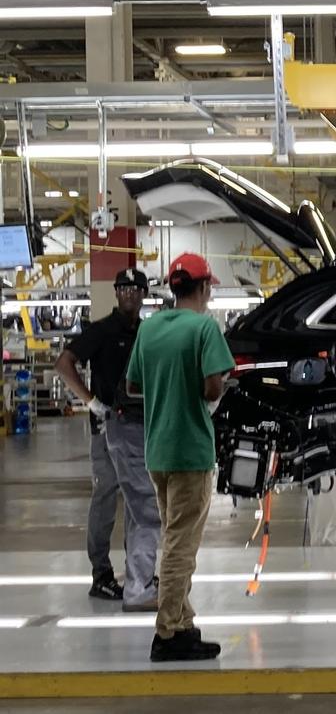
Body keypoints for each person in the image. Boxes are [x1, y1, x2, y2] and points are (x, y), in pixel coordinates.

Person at [126, 253, 234, 662]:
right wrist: (217, 384)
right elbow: (211, 388)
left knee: (175, 536)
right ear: (204, 287)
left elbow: (133, 386)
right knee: (180, 544)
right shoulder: (205, 327)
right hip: (190, 449)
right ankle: (168, 632)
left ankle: (183, 621)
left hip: (157, 451)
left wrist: (165, 384)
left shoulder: (149, 328)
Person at [55, 268, 160, 609]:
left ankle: (138, 574)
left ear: (144, 294)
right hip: (106, 430)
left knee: (138, 502)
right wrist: (91, 401)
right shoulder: (101, 331)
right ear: (116, 293)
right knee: (105, 500)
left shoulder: (147, 333)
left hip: (139, 429)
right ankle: (101, 575)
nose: (130, 293)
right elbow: (64, 363)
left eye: (136, 288)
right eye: (124, 287)